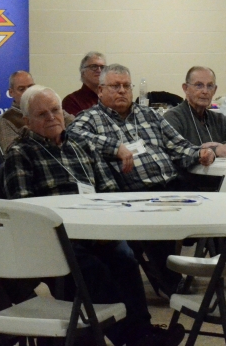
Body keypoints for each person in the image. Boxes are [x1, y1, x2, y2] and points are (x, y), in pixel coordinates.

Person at [3, 86, 185, 346]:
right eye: (42, 114)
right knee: (93, 268)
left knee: (125, 258)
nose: (52, 117)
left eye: (55, 110)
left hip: (93, 230)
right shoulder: (21, 153)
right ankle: (131, 337)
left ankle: (142, 331)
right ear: (27, 121)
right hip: (54, 239)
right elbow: (23, 211)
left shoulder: (79, 143)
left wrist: (104, 228)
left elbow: (108, 189)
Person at [69, 64, 215, 295]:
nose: (122, 91)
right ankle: (171, 282)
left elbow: (178, 146)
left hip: (172, 184)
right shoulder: (90, 119)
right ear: (100, 90)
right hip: (135, 192)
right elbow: (73, 137)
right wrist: (114, 146)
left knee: (218, 207)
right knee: (155, 226)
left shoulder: (148, 114)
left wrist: (200, 154)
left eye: (126, 86)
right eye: (115, 86)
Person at [165, 66, 226, 157]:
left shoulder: (219, 119)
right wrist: (215, 150)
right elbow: (176, 150)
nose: (205, 91)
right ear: (186, 88)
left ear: (215, 90)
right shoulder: (172, 117)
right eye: (199, 85)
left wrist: (225, 147)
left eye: (209, 86)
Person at [62, 51, 106, 115]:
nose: (99, 70)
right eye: (94, 66)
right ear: (83, 72)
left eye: (102, 67)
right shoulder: (72, 101)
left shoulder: (110, 98)